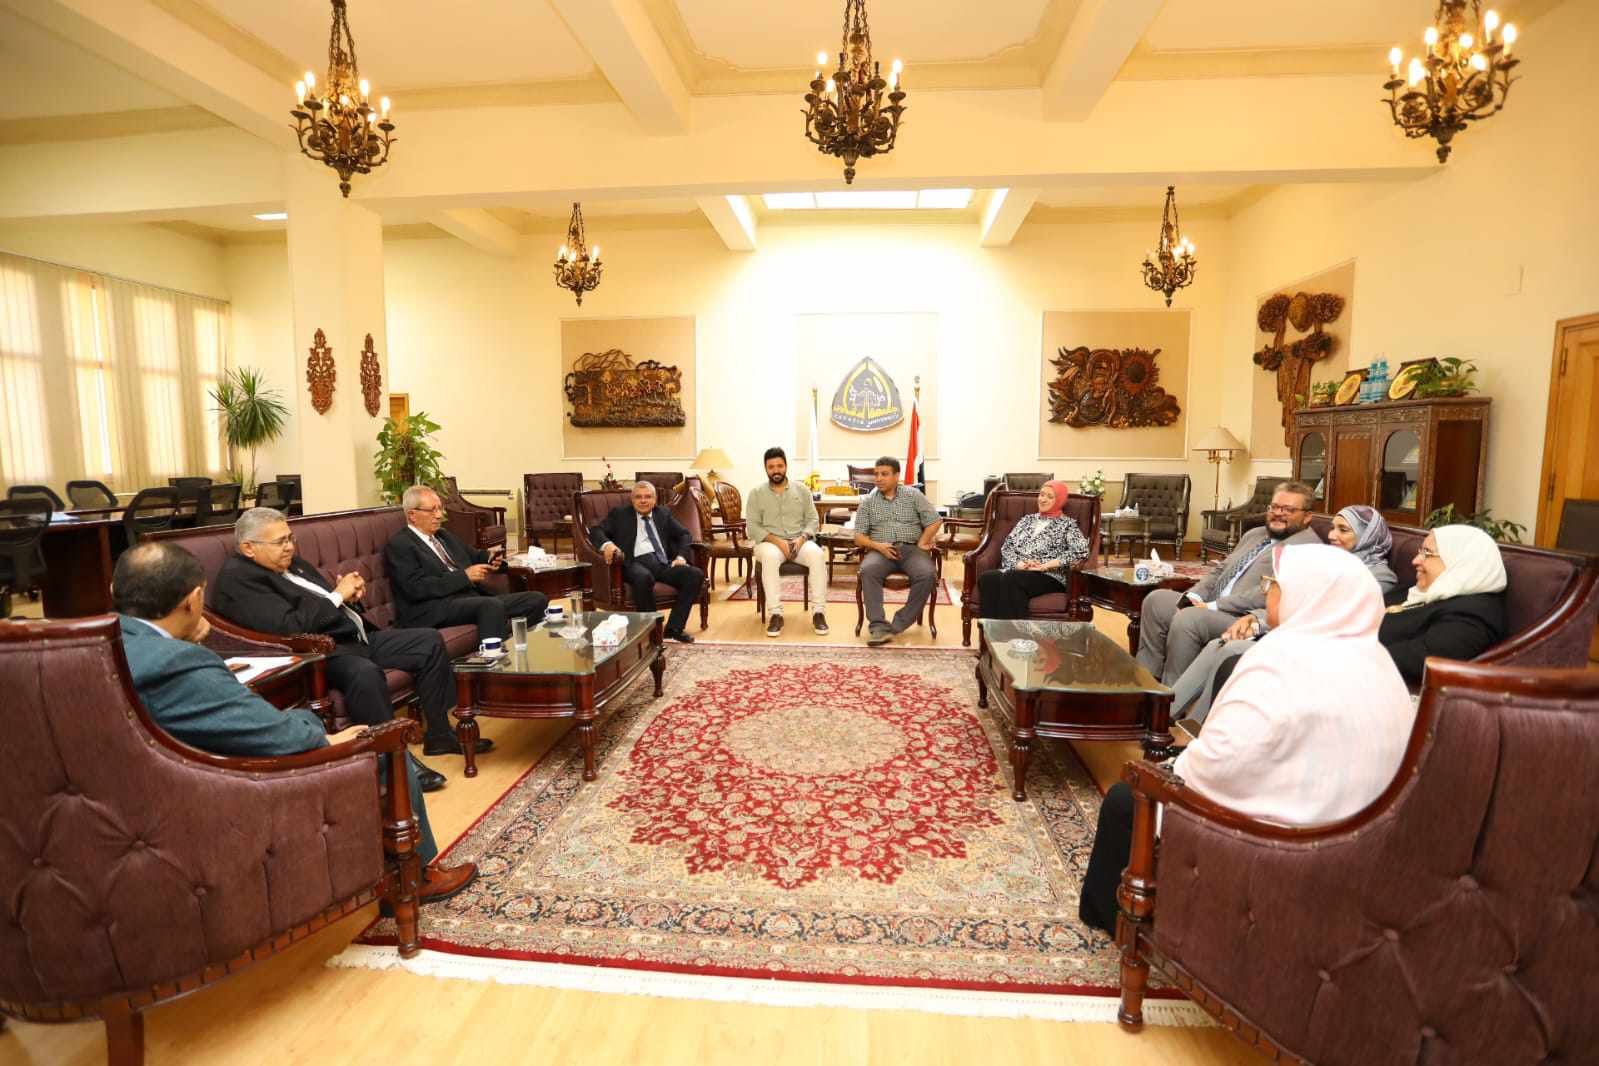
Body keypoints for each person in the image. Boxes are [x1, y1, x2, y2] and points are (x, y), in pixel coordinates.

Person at [111, 541, 476, 903]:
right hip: (223, 790)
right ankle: (414, 879)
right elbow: (277, 737)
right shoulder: (179, 661)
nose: (288, 545)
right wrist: (323, 735)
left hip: (142, 797)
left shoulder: (103, 647)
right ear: (192, 600)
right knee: (384, 748)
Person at [1080, 544, 1415, 933]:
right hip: (1355, 846)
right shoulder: (1381, 665)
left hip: (1278, 845)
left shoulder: (1280, 660)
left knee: (1126, 799)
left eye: (1274, 584)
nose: (1267, 591)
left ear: (1303, 594)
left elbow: (1220, 765)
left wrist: (1173, 768)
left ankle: (1116, 921)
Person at [210, 507, 488, 764]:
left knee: (428, 641)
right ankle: (395, 762)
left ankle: (440, 736)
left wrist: (351, 597)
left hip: (353, 637)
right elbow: (288, 626)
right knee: (364, 672)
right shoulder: (239, 580)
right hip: (320, 652)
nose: (290, 547)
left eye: (290, 538)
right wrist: (337, 596)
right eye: (280, 542)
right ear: (248, 548)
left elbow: (327, 600)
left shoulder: (292, 563)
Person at [1169, 505, 1397, 724]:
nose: (1332, 535)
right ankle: (1165, 715)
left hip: (1318, 648)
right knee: (1219, 644)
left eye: (1343, 530)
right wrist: (1253, 618)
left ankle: (1195, 731)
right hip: (1288, 633)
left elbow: (1321, 615)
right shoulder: (1328, 562)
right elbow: (1289, 600)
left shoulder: (1379, 576)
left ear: (1368, 536)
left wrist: (1260, 624)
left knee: (1230, 648)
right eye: (1333, 528)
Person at [1135, 481, 1320, 685]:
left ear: (1307, 516)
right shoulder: (1255, 534)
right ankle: (1146, 680)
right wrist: (1194, 596)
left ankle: (1171, 692)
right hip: (1210, 604)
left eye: (1288, 510)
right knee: (1156, 601)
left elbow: (1267, 593)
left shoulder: (1308, 548)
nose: (1278, 513)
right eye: (1274, 507)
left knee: (1189, 618)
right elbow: (1220, 569)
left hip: (1242, 618)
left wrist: (1212, 606)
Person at [384, 484, 547, 640]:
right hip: (433, 608)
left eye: (440, 508)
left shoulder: (443, 535)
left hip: (468, 599)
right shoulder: (401, 544)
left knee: (536, 599)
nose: (439, 515)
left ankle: (516, 645)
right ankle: (494, 656)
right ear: (412, 515)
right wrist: (464, 576)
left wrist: (490, 558)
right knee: (490, 606)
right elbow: (416, 588)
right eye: (432, 510)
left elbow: (473, 555)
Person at [1379, 524, 1507, 686]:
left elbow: (1415, 662)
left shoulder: (1472, 617)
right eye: (1420, 551)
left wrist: (1351, 653)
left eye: (1427, 553)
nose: (1415, 560)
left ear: (1460, 562)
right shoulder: (1421, 590)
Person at [590, 480, 703, 643]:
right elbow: (596, 531)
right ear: (632, 500)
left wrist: (680, 557)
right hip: (633, 562)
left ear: (655, 499)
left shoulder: (663, 513)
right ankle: (651, 630)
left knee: (695, 575)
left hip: (662, 562)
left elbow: (684, 534)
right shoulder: (620, 514)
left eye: (648, 497)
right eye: (638, 497)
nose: (643, 501)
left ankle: (673, 629)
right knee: (643, 577)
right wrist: (608, 545)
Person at [852, 456, 942, 646]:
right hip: (880, 550)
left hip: (911, 549)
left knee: (927, 574)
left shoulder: (913, 495)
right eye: (876, 474)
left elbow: (935, 520)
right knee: (868, 570)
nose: (878, 478)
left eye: (884, 474)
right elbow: (858, 537)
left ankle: (897, 625)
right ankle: (878, 627)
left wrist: (922, 542)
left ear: (896, 476)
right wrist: (879, 546)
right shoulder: (868, 501)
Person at [744, 446, 828, 637]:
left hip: (799, 540)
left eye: (779, 466)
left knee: (817, 555)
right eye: (771, 467)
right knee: (770, 557)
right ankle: (775, 614)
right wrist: (779, 543)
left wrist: (801, 539)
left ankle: (819, 613)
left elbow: (813, 520)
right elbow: (753, 527)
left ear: (786, 466)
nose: (776, 470)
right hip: (769, 543)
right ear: (766, 468)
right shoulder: (756, 493)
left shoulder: (802, 490)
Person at [975, 479, 1089, 618]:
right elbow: (1007, 547)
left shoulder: (1067, 525)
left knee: (1012, 579)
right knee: (988, 578)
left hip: (1050, 575)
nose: (1043, 499)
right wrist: (1020, 564)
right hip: (1020, 569)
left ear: (1059, 500)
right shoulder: (1027, 520)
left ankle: (1014, 631)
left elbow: (1081, 551)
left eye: (1050, 497)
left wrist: (1046, 565)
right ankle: (990, 629)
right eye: (1042, 494)